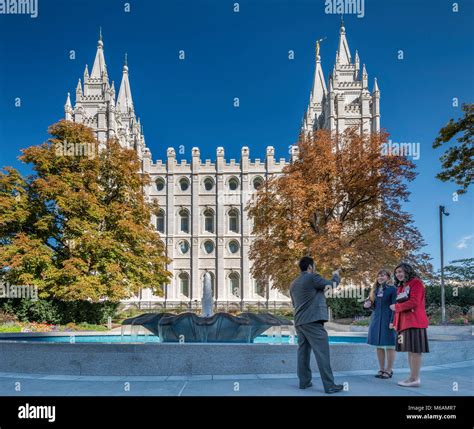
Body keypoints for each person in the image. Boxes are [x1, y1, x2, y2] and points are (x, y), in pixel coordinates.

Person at [289, 256, 343, 394]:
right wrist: (336, 276)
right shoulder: (312, 277)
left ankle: (304, 382)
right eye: (314, 266)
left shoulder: (294, 283)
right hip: (312, 321)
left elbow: (296, 303)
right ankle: (329, 385)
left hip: (299, 321)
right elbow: (332, 285)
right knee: (322, 353)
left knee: (303, 353)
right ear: (310, 267)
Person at [389, 263, 429, 387]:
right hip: (405, 323)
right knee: (410, 351)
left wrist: (396, 307)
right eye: (396, 272)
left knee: (415, 351)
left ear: (407, 271)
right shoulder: (401, 287)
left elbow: (414, 302)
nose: (398, 274)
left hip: (415, 322)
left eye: (401, 271)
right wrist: (395, 323)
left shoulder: (416, 283)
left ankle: (415, 379)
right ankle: (412, 378)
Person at [364, 269, 397, 379]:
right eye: (379, 276)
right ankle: (382, 369)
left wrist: (393, 321)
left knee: (390, 346)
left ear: (388, 277)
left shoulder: (393, 289)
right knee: (379, 346)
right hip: (376, 320)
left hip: (388, 320)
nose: (380, 278)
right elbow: (373, 306)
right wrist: (368, 305)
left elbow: (395, 307)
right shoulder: (375, 289)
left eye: (383, 276)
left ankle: (389, 370)